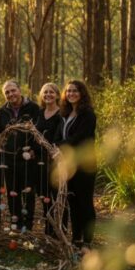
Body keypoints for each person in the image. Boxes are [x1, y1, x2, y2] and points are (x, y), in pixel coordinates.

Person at [0, 80, 41, 233]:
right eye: (7, 92)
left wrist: (34, 149)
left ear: (19, 90)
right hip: (9, 159)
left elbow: (38, 131)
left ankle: (27, 227)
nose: (10, 94)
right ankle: (16, 224)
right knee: (12, 193)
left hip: (28, 159)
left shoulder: (33, 108)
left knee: (28, 193)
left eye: (13, 90)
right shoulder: (3, 111)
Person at [57, 80, 97, 249]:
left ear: (82, 93)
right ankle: (76, 238)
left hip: (84, 164)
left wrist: (60, 147)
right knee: (72, 201)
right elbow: (60, 135)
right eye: (68, 91)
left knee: (85, 202)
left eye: (75, 91)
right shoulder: (65, 114)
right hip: (69, 164)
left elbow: (81, 136)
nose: (71, 93)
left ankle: (88, 241)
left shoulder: (88, 114)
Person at [35, 82, 63, 237]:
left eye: (51, 92)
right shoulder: (39, 114)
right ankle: (48, 229)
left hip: (55, 161)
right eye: (45, 93)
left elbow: (61, 138)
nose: (48, 95)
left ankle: (59, 230)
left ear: (57, 95)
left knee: (56, 196)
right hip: (39, 161)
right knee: (44, 196)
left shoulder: (62, 115)